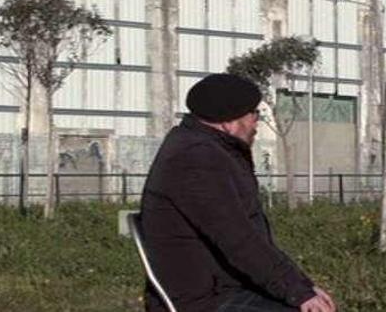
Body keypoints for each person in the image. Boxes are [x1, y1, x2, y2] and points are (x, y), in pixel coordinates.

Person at [140, 73, 336, 312]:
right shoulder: (195, 158)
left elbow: (249, 239)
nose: (257, 122)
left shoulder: (204, 148)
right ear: (229, 121)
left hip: (223, 287)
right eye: (254, 114)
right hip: (204, 300)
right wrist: (298, 293)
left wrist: (302, 286)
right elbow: (237, 239)